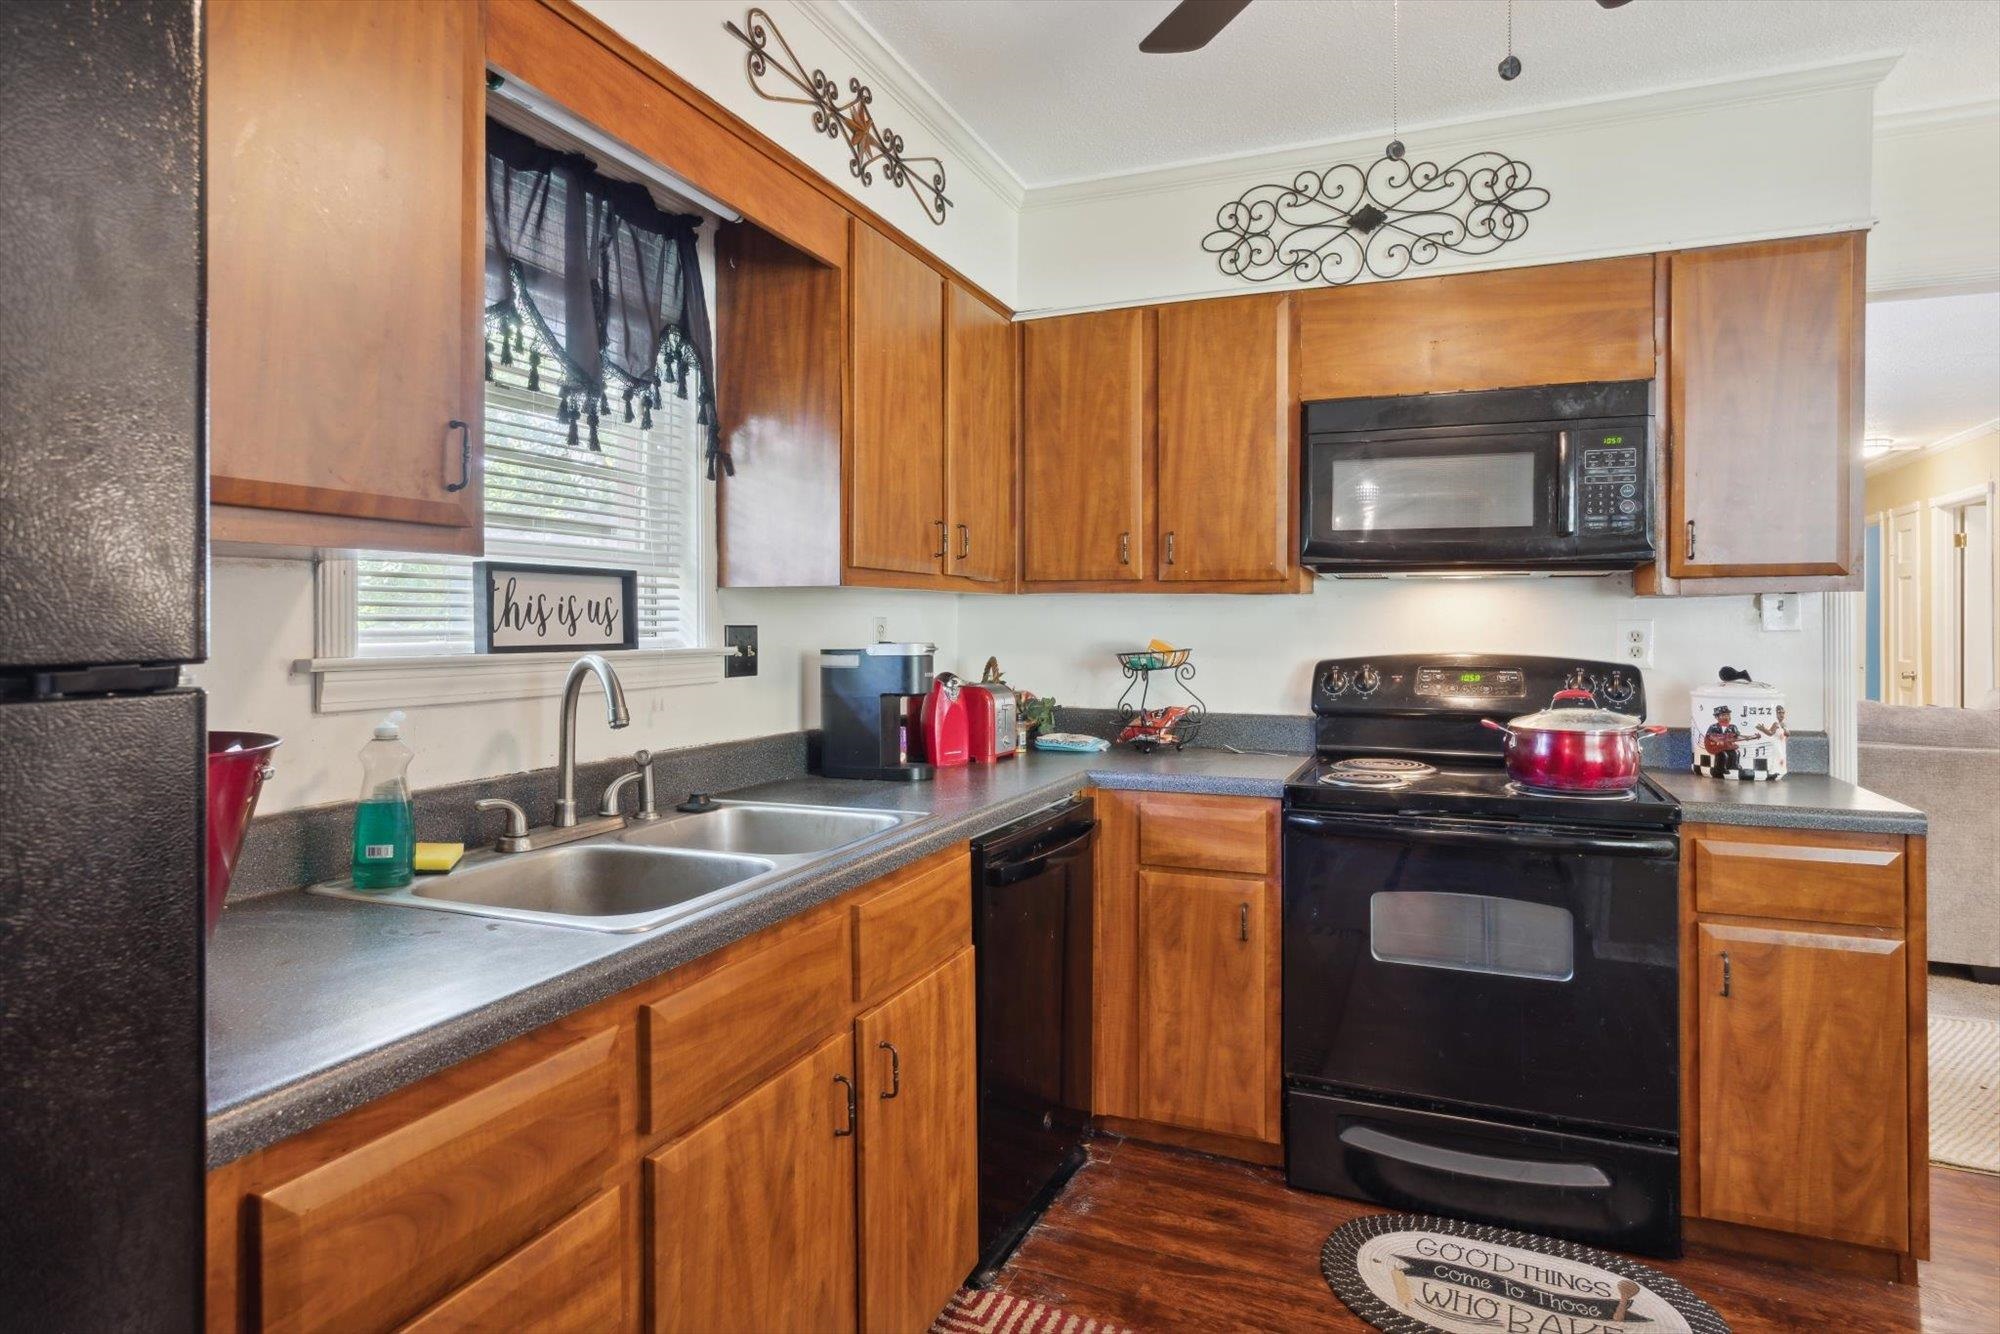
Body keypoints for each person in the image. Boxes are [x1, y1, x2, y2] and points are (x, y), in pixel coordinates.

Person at [1702, 705, 1741, 775]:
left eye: (1728, 715)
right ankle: (1720, 768)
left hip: (1727, 745)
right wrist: (1718, 740)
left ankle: (1733, 765)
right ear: (1716, 717)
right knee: (1723, 754)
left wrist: (1736, 735)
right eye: (1723, 715)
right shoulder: (1713, 727)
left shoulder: (1733, 727)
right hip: (1717, 747)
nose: (1726, 717)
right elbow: (1710, 736)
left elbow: (1736, 736)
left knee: (1736, 752)